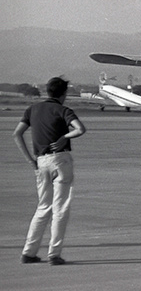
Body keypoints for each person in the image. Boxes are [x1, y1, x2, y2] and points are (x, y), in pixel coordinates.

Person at [13, 77, 87, 265]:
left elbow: (17, 134)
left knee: (43, 207)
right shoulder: (63, 110)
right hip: (60, 159)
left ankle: (29, 252)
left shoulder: (32, 110)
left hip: (41, 161)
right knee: (60, 208)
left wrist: (31, 160)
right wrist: (65, 137)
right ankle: (54, 254)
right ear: (63, 93)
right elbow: (80, 129)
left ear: (48, 91)